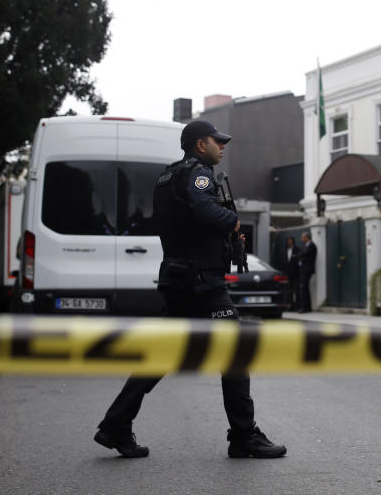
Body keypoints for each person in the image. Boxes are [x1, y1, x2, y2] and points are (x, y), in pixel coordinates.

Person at [94, 120, 286, 460]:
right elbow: (201, 207)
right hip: (203, 282)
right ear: (200, 144)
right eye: (217, 141)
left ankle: (115, 425)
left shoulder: (167, 176)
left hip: (178, 277)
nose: (222, 147)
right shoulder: (198, 174)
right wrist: (232, 222)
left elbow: (178, 220)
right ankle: (243, 436)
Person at [296, 231, 316, 313]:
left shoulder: (311, 246)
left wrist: (299, 256)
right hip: (304, 269)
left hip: (307, 270)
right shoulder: (306, 245)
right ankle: (307, 307)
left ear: (307, 237)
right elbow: (302, 253)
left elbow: (304, 254)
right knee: (305, 288)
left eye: (303, 237)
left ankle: (305, 307)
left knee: (304, 288)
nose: (301, 239)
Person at [283, 236, 300, 307]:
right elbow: (283, 262)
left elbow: (298, 261)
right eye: (288, 241)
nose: (289, 242)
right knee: (288, 290)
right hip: (287, 273)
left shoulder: (297, 250)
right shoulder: (284, 251)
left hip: (295, 273)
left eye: (290, 240)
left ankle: (297, 305)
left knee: (296, 290)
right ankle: (290, 305)